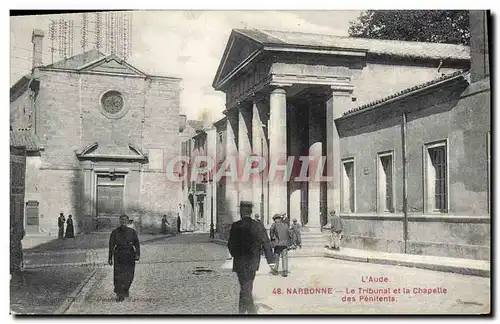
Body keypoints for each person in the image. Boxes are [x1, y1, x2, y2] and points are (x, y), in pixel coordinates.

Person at [227, 201, 274, 314]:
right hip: (253, 262)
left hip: (239, 262)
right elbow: (266, 243)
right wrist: (271, 261)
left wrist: (235, 255)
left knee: (245, 286)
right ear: (251, 212)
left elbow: (230, 244)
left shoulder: (235, 226)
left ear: (241, 212)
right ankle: (250, 313)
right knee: (247, 286)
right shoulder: (258, 225)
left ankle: (243, 312)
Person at [108, 214, 141, 302]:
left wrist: (137, 254)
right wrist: (110, 258)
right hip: (119, 254)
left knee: (129, 274)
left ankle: (126, 289)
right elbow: (111, 245)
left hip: (130, 254)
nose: (123, 222)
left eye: (124, 220)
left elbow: (136, 243)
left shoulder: (132, 231)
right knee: (118, 274)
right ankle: (119, 293)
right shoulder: (115, 232)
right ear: (119, 221)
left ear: (127, 221)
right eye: (121, 220)